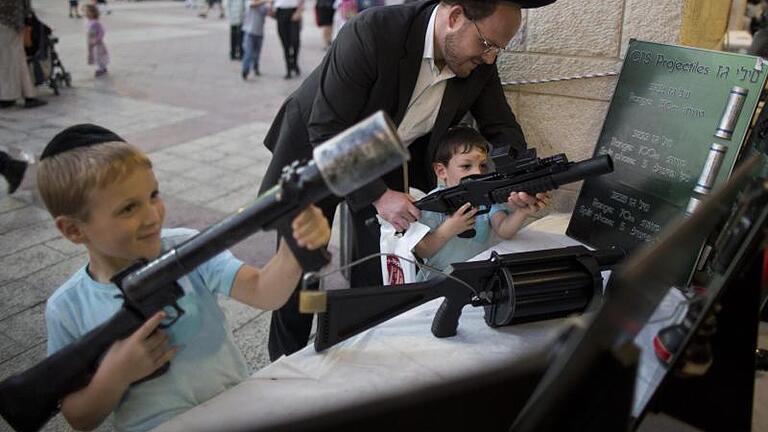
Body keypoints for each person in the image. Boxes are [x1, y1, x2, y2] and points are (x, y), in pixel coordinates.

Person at [259, 0, 555, 361]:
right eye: (487, 45)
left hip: (383, 154)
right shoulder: (373, 31)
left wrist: (521, 182)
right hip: (315, 150)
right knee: (299, 268)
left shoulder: (477, 60)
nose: (491, 59)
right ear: (455, 16)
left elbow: (501, 127)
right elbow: (326, 128)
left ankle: (359, 351)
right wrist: (379, 196)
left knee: (380, 263)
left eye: (498, 49)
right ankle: (283, 365)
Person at [39, 124, 331, 431]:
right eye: (128, 208)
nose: (152, 215)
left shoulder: (186, 247)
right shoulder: (67, 307)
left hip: (239, 411)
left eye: (153, 195)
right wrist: (116, 375)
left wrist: (294, 247)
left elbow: (262, 291)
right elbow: (79, 418)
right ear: (73, 230)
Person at [412, 125, 549, 281]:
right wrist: (449, 229)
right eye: (466, 166)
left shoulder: (485, 197)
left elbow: (503, 230)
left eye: (482, 165)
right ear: (441, 171)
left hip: (479, 277)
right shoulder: (434, 204)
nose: (477, 172)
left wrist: (522, 211)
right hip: (439, 281)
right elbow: (422, 251)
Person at [0, 0, 47, 108]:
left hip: (7, 23)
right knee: (14, 60)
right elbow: (27, 7)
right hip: (12, 24)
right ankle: (22, 95)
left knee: (9, 60)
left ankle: (22, 95)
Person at [270, 0, 303, 79]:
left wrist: (298, 11)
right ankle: (288, 69)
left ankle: (294, 62)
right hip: (280, 11)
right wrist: (271, 8)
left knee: (295, 41)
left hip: (293, 10)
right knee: (285, 43)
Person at [241, 0, 268, 79]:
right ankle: (245, 70)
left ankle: (256, 66)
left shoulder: (264, 5)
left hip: (259, 33)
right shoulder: (249, 1)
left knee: (257, 53)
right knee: (248, 52)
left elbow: (269, 13)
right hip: (249, 32)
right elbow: (252, 5)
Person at [84, 4, 109, 77]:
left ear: (92, 13)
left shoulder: (96, 22)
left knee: (98, 55)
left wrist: (97, 39)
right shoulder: (88, 22)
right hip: (91, 42)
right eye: (85, 12)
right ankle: (102, 67)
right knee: (95, 55)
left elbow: (102, 32)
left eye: (87, 12)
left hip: (97, 43)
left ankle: (100, 68)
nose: (85, 13)